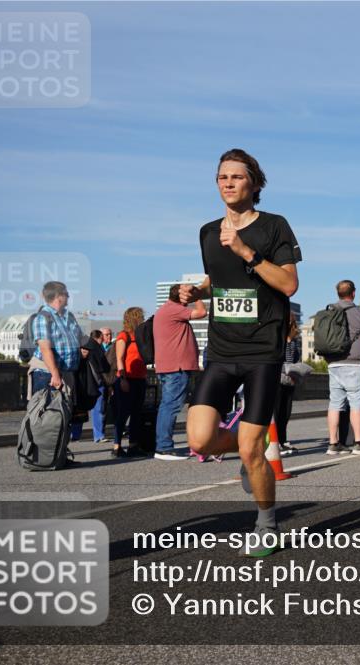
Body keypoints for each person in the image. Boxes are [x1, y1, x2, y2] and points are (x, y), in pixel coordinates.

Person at [180, 148, 302, 557]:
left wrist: (247, 253)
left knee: (253, 448)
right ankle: (250, 456)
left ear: (254, 183)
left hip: (263, 352)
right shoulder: (207, 232)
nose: (227, 183)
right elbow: (219, 281)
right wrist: (199, 290)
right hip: (220, 349)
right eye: (221, 177)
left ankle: (267, 524)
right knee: (199, 440)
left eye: (236, 177)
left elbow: (287, 285)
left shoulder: (274, 227)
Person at [28, 280, 85, 466]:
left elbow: (79, 338)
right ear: (58, 296)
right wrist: (55, 374)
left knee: (63, 417)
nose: (68, 297)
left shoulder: (67, 317)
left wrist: (82, 350)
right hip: (48, 373)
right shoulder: (43, 317)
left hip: (66, 372)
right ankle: (41, 458)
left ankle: (60, 456)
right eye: (66, 294)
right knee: (46, 418)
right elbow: (45, 349)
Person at [153, 284, 207, 460]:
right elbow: (202, 312)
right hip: (176, 367)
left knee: (168, 405)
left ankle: (163, 444)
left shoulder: (167, 309)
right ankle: (164, 447)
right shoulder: (174, 309)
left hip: (172, 366)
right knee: (171, 405)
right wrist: (197, 296)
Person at [325, 280, 360, 456]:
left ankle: (333, 444)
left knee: (335, 404)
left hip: (333, 364)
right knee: (357, 403)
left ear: (338, 293)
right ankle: (359, 443)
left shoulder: (329, 312)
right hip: (354, 364)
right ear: (353, 293)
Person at [113, 307, 148, 457]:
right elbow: (119, 359)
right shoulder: (124, 336)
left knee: (136, 414)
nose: (143, 319)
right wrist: (122, 379)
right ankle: (117, 446)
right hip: (127, 379)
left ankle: (133, 446)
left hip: (140, 379)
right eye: (140, 317)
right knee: (122, 414)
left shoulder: (139, 336)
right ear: (134, 318)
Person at [277, 312, 303, 456]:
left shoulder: (293, 341)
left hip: (290, 380)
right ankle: (277, 442)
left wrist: (296, 371)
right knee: (277, 411)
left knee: (286, 412)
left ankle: (283, 439)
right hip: (278, 380)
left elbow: (295, 359)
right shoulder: (278, 339)